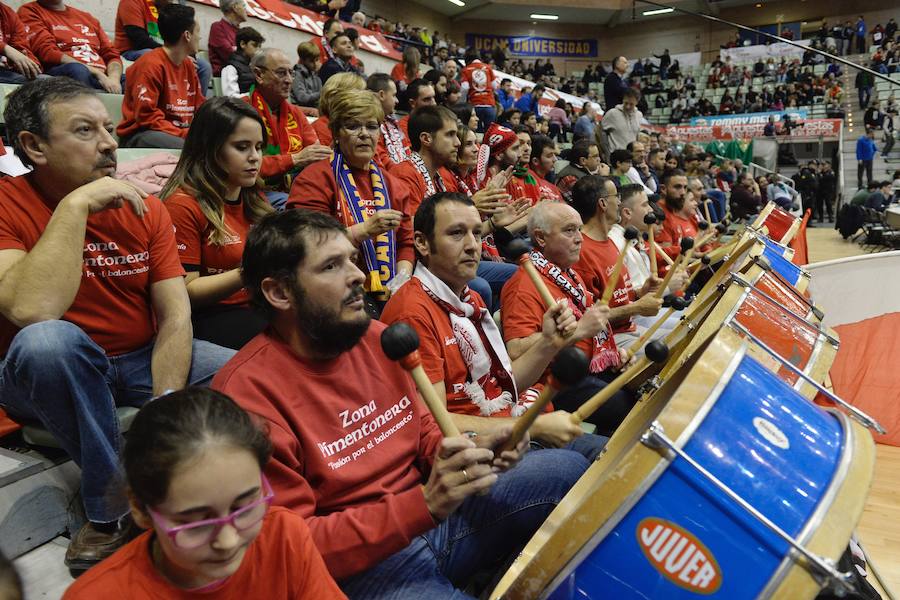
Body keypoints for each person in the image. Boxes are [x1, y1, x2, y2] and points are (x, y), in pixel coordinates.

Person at [213, 208, 588, 596]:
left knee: (573, 469)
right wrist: (423, 506)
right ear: (279, 292)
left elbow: (422, 429)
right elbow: (290, 546)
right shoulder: (245, 397)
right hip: (363, 565)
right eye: (331, 266)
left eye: (352, 260)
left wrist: (474, 448)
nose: (358, 275)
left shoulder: (377, 337)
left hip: (434, 513)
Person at [0, 78, 235, 570]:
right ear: (33, 146)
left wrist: (165, 406)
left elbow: (175, 314)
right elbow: (30, 309)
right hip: (43, 371)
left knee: (244, 372)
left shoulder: (144, 206)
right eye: (86, 131)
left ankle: (230, 489)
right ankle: (111, 511)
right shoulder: (5, 202)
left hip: (136, 358)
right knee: (47, 342)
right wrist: (75, 205)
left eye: (109, 128)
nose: (110, 143)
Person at [62, 388, 345, 599]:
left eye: (244, 508)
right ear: (139, 507)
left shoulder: (284, 537)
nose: (228, 540)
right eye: (197, 523)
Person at [380, 192, 605, 457]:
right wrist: (531, 426)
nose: (472, 245)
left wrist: (549, 342)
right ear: (422, 243)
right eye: (456, 233)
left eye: (476, 233)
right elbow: (432, 423)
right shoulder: (412, 312)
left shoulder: (469, 298)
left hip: (505, 426)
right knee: (578, 463)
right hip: (475, 456)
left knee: (610, 452)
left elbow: (507, 385)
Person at [500, 201, 638, 437]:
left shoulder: (566, 273)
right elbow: (515, 351)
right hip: (558, 382)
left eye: (579, 229)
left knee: (641, 386)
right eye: (569, 230)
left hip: (588, 367)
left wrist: (614, 356)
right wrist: (578, 332)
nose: (579, 238)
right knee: (630, 407)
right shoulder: (523, 286)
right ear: (541, 239)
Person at [161, 98, 271, 350]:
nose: (255, 157)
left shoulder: (252, 194)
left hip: (257, 304)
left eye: (259, 147)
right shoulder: (181, 205)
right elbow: (184, 293)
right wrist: (250, 272)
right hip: (209, 317)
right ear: (210, 148)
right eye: (242, 147)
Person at [289, 89, 414, 308]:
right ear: (336, 133)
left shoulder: (394, 185)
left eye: (372, 126)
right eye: (353, 126)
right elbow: (305, 244)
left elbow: (405, 243)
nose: (364, 133)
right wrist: (363, 231)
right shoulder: (314, 179)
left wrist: (402, 279)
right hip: (331, 288)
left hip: (387, 289)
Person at [571, 176, 664, 352]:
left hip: (629, 328)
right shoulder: (581, 251)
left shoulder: (610, 240)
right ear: (603, 204)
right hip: (608, 339)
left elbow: (619, 298)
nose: (620, 203)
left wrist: (640, 292)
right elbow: (588, 318)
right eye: (617, 197)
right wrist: (636, 307)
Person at [244, 48, 329, 208]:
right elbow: (243, 164)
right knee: (297, 209)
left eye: (291, 73)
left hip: (294, 187)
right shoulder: (241, 110)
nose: (289, 80)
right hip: (252, 190)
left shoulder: (296, 113)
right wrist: (295, 159)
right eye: (281, 73)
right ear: (259, 75)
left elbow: (315, 153)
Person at [116, 4, 204, 149]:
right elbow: (146, 117)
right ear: (187, 35)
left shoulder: (188, 64)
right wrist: (185, 134)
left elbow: (200, 106)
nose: (200, 37)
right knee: (194, 151)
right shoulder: (150, 65)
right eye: (198, 32)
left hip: (177, 132)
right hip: (143, 134)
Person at [18, 0, 123, 93]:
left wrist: (114, 79)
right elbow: (47, 52)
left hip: (103, 76)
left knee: (134, 78)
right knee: (78, 70)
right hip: (64, 70)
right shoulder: (29, 11)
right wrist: (96, 73)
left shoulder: (88, 18)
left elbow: (112, 55)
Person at [113, 0, 211, 95]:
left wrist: (188, 57)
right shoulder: (131, 2)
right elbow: (139, 40)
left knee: (203, 66)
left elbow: (184, 39)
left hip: (165, 50)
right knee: (150, 56)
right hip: (131, 51)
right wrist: (172, 54)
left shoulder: (168, 8)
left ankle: (197, 109)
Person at [391, 105, 460, 219]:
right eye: (450, 135)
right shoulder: (404, 175)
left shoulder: (441, 176)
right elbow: (414, 231)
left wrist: (491, 223)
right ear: (426, 139)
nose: (458, 143)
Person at [311, 72, 366, 147]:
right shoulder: (321, 129)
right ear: (334, 97)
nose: (364, 102)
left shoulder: (357, 126)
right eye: (358, 96)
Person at [368, 73, 409, 169]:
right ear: (382, 95)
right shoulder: (370, 124)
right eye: (394, 95)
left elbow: (407, 149)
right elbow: (381, 160)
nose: (397, 100)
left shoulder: (392, 122)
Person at [0, 4, 42, 84]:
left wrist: (31, 65)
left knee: (52, 83)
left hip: (6, 71)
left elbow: (22, 49)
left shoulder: (8, 13)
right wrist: (6, 49)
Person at [460, 48, 498, 133]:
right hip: (489, 104)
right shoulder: (488, 68)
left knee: (477, 132)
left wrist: (462, 102)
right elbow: (495, 85)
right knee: (490, 133)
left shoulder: (466, 70)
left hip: (475, 105)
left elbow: (465, 87)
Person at [220, 26, 264, 97]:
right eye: (255, 45)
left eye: (260, 46)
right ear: (242, 44)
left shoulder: (253, 66)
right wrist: (254, 97)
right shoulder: (230, 67)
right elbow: (231, 97)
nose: (258, 50)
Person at [207, 0, 247, 75]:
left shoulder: (241, 31)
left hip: (241, 74)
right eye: (244, 6)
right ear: (235, 8)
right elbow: (230, 54)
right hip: (225, 75)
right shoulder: (217, 27)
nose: (246, 9)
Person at [602, 88, 642, 153]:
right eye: (626, 103)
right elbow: (601, 132)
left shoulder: (639, 115)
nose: (628, 106)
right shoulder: (612, 113)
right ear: (623, 99)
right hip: (615, 156)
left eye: (631, 104)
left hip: (631, 156)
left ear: (637, 102)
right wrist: (606, 152)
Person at [397, 78, 436, 145]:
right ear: (412, 103)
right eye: (427, 99)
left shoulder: (438, 121)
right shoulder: (402, 128)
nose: (434, 103)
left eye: (433, 98)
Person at [529, 134, 564, 201]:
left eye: (554, 155)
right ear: (535, 161)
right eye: (549, 156)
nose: (555, 159)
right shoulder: (527, 182)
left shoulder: (554, 187)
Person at [291, 41, 322, 107]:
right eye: (311, 61)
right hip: (300, 110)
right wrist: (322, 93)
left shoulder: (315, 75)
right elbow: (302, 98)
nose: (315, 64)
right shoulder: (297, 75)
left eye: (317, 60)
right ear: (302, 60)